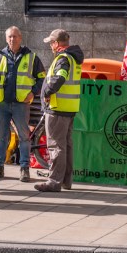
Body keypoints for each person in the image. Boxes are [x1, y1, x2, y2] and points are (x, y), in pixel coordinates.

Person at [0, 26, 45, 182]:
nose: (12, 39)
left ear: (20, 38)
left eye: (15, 36)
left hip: (21, 103)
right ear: (6, 38)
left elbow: (42, 78)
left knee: (24, 137)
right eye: (9, 37)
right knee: (1, 136)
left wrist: (32, 92)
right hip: (1, 102)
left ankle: (24, 168)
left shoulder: (31, 57)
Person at [34, 29, 83, 192]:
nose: (50, 46)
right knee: (66, 146)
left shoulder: (63, 58)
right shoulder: (73, 58)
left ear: (56, 43)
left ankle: (54, 181)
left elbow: (60, 77)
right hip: (69, 108)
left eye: (51, 43)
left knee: (56, 146)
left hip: (58, 107)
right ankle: (65, 181)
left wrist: (48, 91)